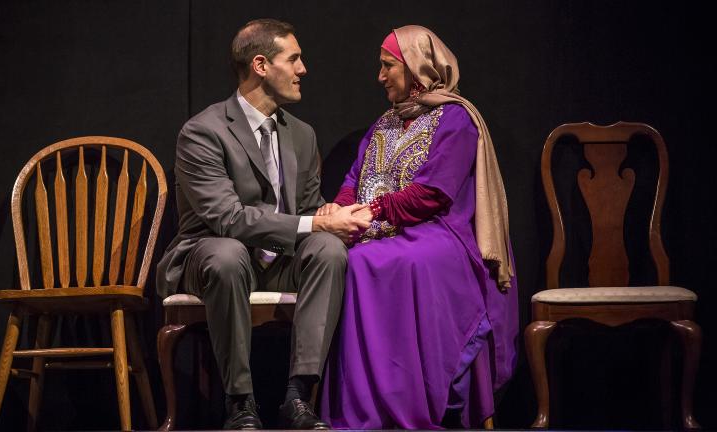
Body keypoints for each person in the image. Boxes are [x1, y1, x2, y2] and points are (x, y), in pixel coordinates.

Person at [156, 19, 370, 430]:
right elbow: (227, 218)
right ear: (260, 64)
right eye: (293, 59)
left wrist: (335, 216)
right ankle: (239, 402)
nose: (303, 69)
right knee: (228, 253)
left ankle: (298, 395)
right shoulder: (203, 131)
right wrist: (314, 223)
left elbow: (307, 208)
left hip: (277, 259)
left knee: (327, 249)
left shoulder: (302, 135)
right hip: (212, 254)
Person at [319, 25, 519, 429]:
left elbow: (433, 194)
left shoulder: (457, 118)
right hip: (379, 225)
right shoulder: (385, 123)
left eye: (387, 66)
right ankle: (368, 406)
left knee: (393, 261)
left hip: (440, 232)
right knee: (348, 260)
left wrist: (371, 212)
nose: (380, 76)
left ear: (415, 67)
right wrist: (338, 210)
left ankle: (412, 400)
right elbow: (353, 178)